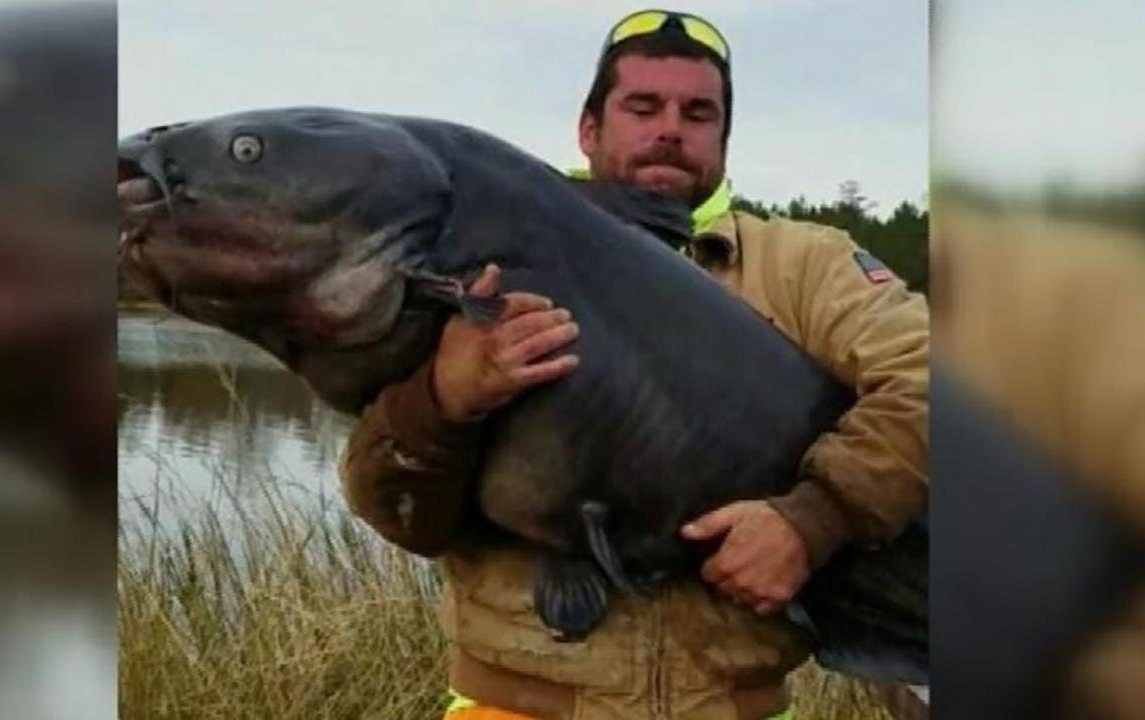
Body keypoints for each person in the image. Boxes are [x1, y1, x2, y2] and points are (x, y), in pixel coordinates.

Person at [340, 9, 928, 720]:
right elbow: (395, 511)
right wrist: (440, 400)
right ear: (589, 130)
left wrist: (813, 519)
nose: (670, 129)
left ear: (723, 140)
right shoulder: (478, 260)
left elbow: (935, 382)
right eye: (642, 106)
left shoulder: (806, 268)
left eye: (698, 112)